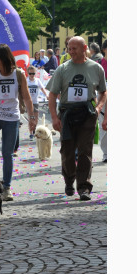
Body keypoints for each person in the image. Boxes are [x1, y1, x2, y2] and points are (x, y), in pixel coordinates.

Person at [47, 36, 106, 200]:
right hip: (67, 113)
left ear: (84, 48)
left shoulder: (96, 68)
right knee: (67, 151)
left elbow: (103, 91)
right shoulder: (62, 69)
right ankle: (69, 180)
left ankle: (84, 187)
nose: (71, 51)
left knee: (85, 151)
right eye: (69, 48)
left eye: (74, 48)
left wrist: (99, 108)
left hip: (88, 113)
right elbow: (52, 95)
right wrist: (54, 117)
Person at [0, 44, 37, 201]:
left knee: (7, 154)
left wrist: (32, 117)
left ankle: (6, 188)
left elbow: (26, 97)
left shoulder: (19, 74)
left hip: (12, 118)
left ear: (4, 57)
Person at [26, 66, 49, 133]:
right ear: (28, 73)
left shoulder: (37, 80)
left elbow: (42, 88)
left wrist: (46, 95)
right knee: (30, 118)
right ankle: (31, 133)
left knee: (36, 118)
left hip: (35, 101)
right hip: (29, 102)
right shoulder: (26, 80)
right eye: (30, 73)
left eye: (33, 73)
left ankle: (34, 130)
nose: (32, 75)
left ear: (35, 73)